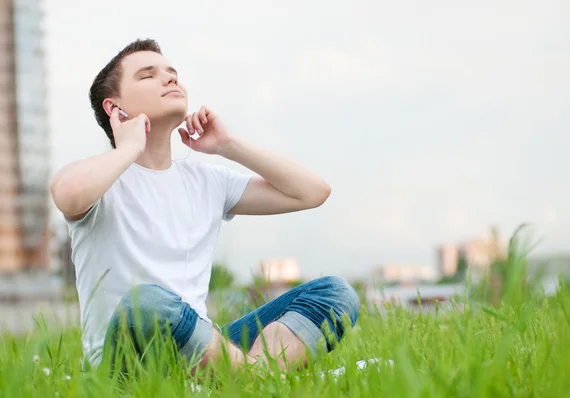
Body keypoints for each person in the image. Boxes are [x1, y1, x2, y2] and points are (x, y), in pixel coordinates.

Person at [50, 38, 359, 375]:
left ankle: (254, 377)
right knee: (148, 303)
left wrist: (228, 145)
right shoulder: (101, 179)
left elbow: (312, 192)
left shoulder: (206, 180)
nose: (170, 79)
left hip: (198, 350)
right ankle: (260, 378)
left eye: (172, 73)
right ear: (114, 108)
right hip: (124, 364)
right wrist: (128, 149)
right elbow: (67, 194)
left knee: (334, 293)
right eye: (148, 75)